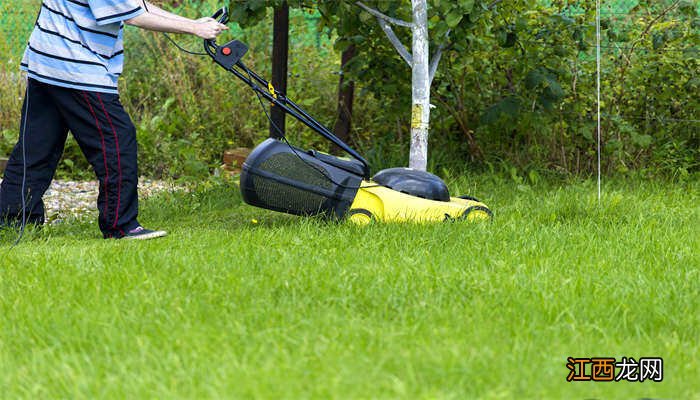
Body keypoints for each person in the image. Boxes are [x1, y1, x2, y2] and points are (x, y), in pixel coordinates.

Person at [0, 0, 227, 240]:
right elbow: (134, 16)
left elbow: (133, 5)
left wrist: (191, 22)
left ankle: (10, 220)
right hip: (74, 66)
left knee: (36, 149)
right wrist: (193, 29)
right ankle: (121, 225)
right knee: (117, 140)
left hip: (44, 62)